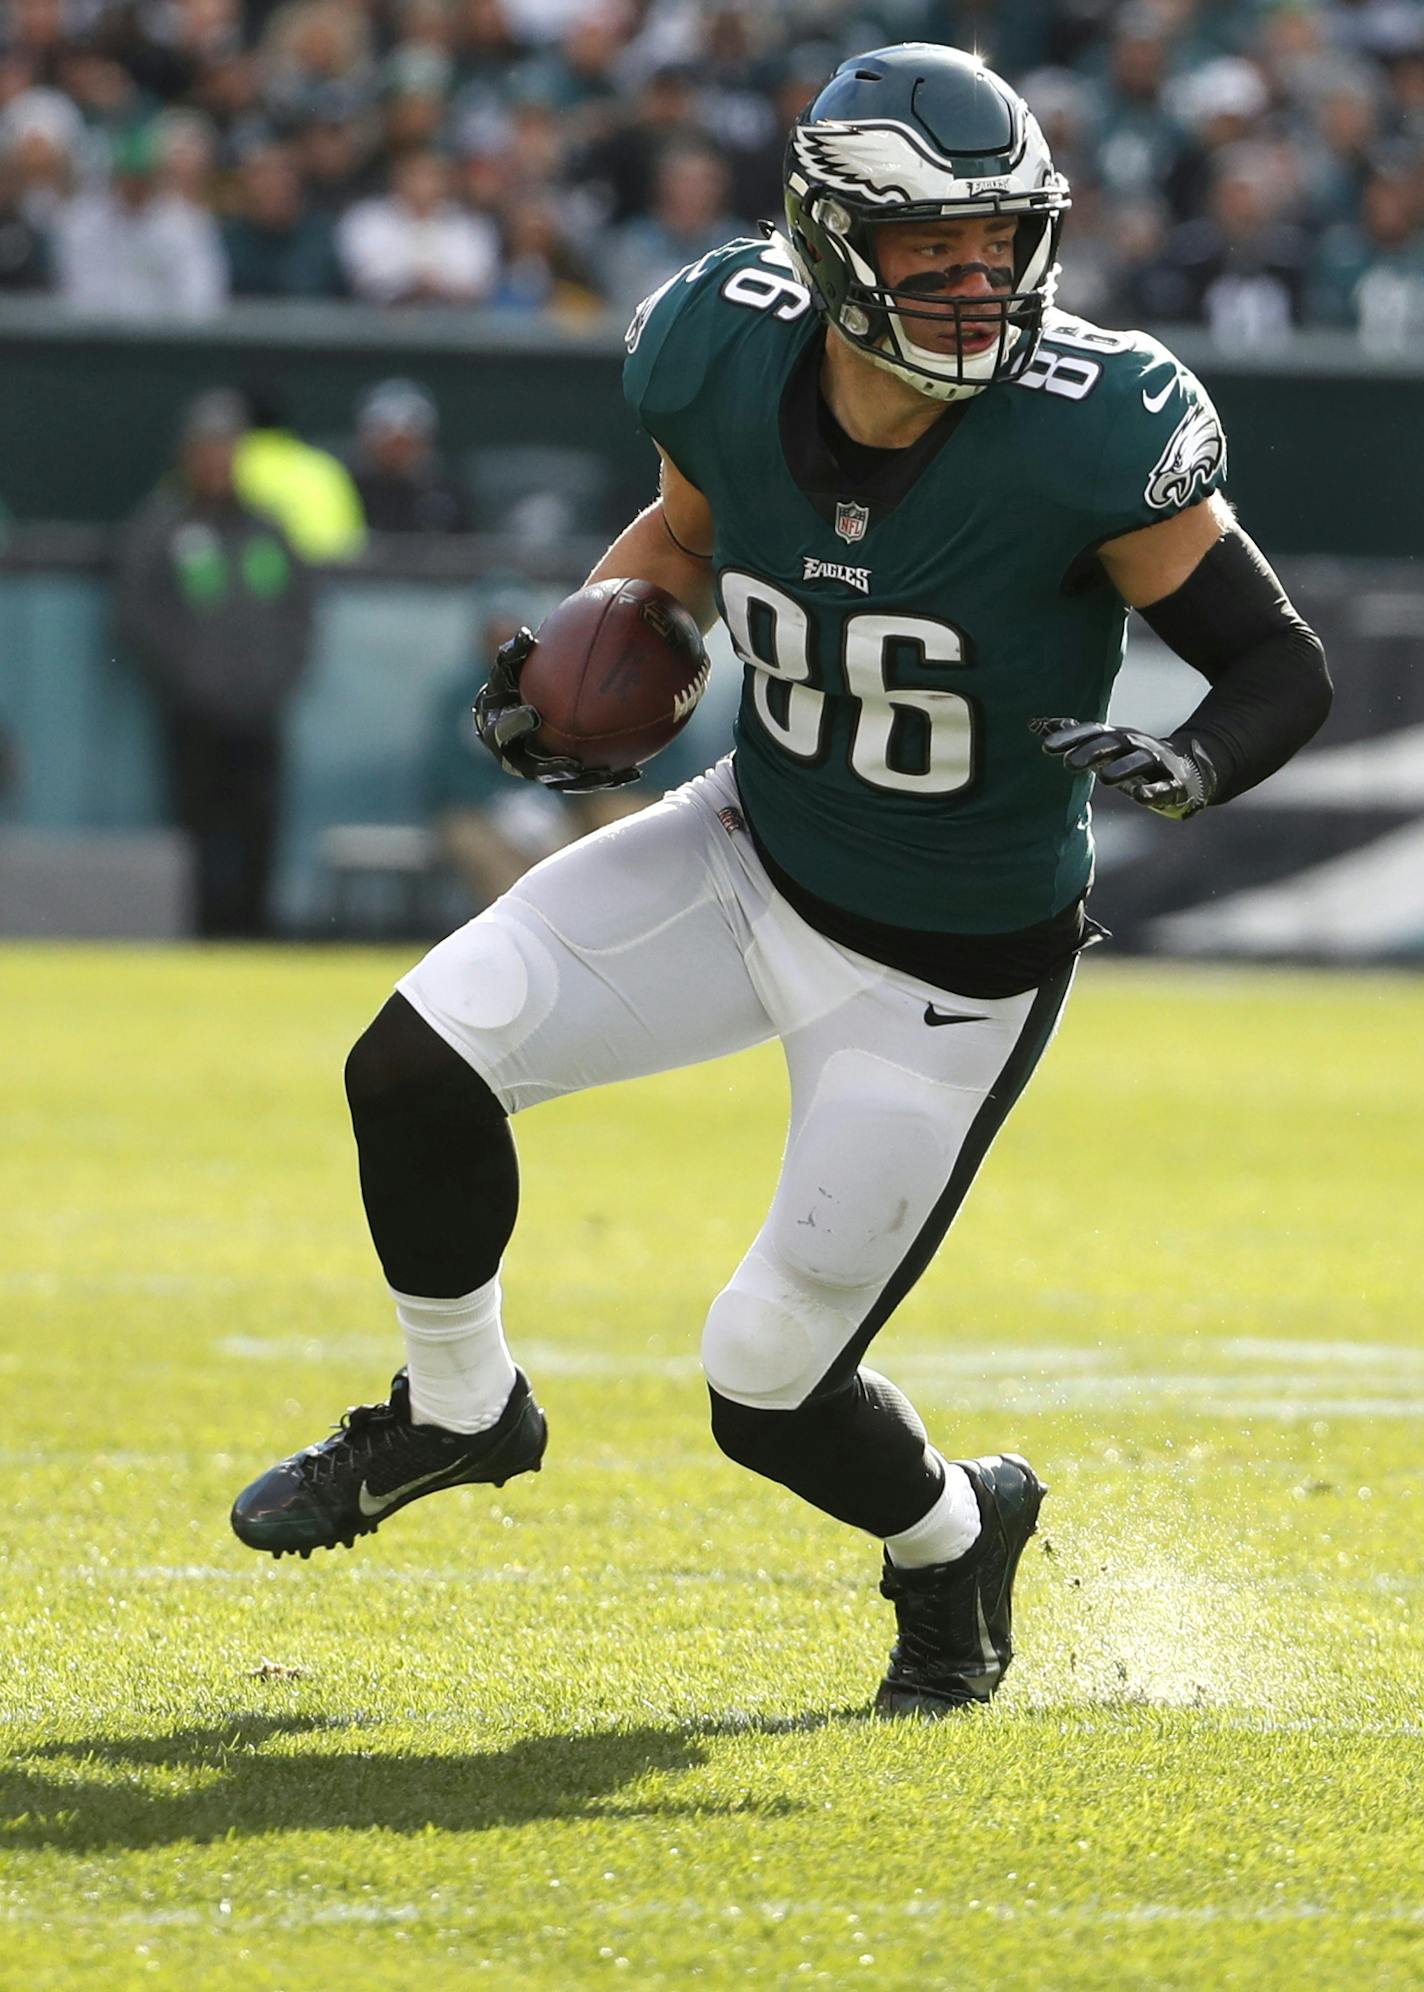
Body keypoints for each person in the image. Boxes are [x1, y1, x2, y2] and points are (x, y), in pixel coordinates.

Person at [231, 45, 1331, 1716]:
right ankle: (456, 1407)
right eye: (929, 251)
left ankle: (954, 1534)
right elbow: (677, 536)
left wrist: (1195, 761)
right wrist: (582, 673)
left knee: (761, 1387)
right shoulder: (716, 345)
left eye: (999, 246)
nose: (976, 288)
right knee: (412, 1063)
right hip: (753, 844)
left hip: (944, 966)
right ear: (829, 248)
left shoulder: (1083, 428)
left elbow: (1270, 660)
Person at [116, 390, 315, 938]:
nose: (215, 459)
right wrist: (186, 681)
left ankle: (255, 930)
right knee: (194, 827)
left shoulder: (266, 529)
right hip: (193, 712)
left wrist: (278, 679)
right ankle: (196, 930)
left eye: (226, 447)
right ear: (187, 453)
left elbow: (300, 611)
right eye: (206, 446)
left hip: (261, 709)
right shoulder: (161, 528)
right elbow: (136, 617)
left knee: (262, 825)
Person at [349, 377, 474, 536]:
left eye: (407, 439)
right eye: (385, 433)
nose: (397, 449)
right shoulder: (349, 491)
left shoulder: (448, 496)